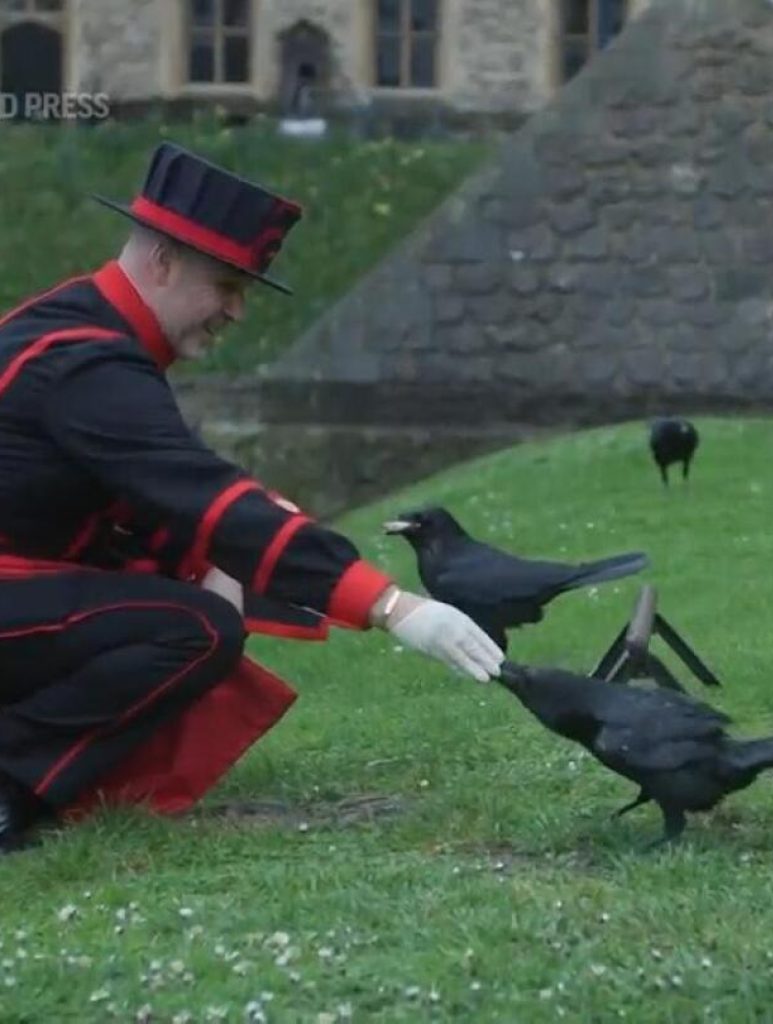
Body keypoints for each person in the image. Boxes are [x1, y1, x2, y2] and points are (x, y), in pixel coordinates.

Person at [0, 142, 504, 854]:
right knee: (195, 629)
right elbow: (203, 495)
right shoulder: (90, 363)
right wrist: (393, 607)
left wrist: (214, 559)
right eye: (226, 285)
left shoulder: (82, 328)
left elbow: (143, 495)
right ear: (164, 262)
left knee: (200, 598)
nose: (236, 310)